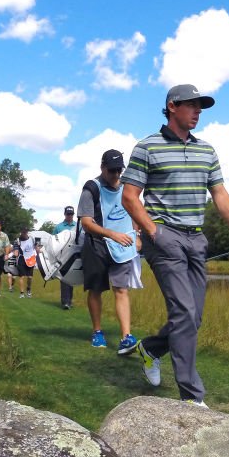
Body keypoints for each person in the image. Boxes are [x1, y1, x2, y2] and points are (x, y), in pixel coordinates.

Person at [121, 84, 229, 406]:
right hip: (165, 237)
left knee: (193, 318)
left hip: (197, 239)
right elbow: (129, 197)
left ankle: (150, 349)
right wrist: (154, 232)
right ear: (172, 107)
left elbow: (219, 194)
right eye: (192, 106)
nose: (197, 112)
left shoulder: (206, 150)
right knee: (183, 311)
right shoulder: (147, 147)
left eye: (200, 107)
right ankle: (192, 396)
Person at [78, 149, 142, 352]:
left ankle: (126, 337)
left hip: (122, 247)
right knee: (96, 289)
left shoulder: (126, 188)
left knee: (121, 289)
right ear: (102, 168)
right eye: (111, 170)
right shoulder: (91, 188)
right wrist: (111, 234)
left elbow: (135, 212)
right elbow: (87, 223)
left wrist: (136, 234)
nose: (115, 175)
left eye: (118, 171)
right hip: (97, 246)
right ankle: (97, 332)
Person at [53, 206, 78, 309]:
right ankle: (65, 302)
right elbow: (53, 241)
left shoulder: (77, 226)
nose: (69, 216)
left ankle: (69, 300)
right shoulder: (58, 227)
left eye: (71, 214)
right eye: (68, 214)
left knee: (71, 279)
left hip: (74, 255)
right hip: (62, 255)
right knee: (63, 278)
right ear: (64, 214)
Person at [15, 228, 38, 298]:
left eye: (25, 232)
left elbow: (36, 247)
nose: (24, 234)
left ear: (27, 232)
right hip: (21, 259)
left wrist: (38, 250)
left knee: (30, 277)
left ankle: (28, 289)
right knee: (21, 276)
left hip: (30, 259)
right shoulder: (18, 241)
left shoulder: (32, 239)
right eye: (23, 232)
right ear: (21, 232)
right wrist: (15, 252)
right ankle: (22, 293)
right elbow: (16, 250)